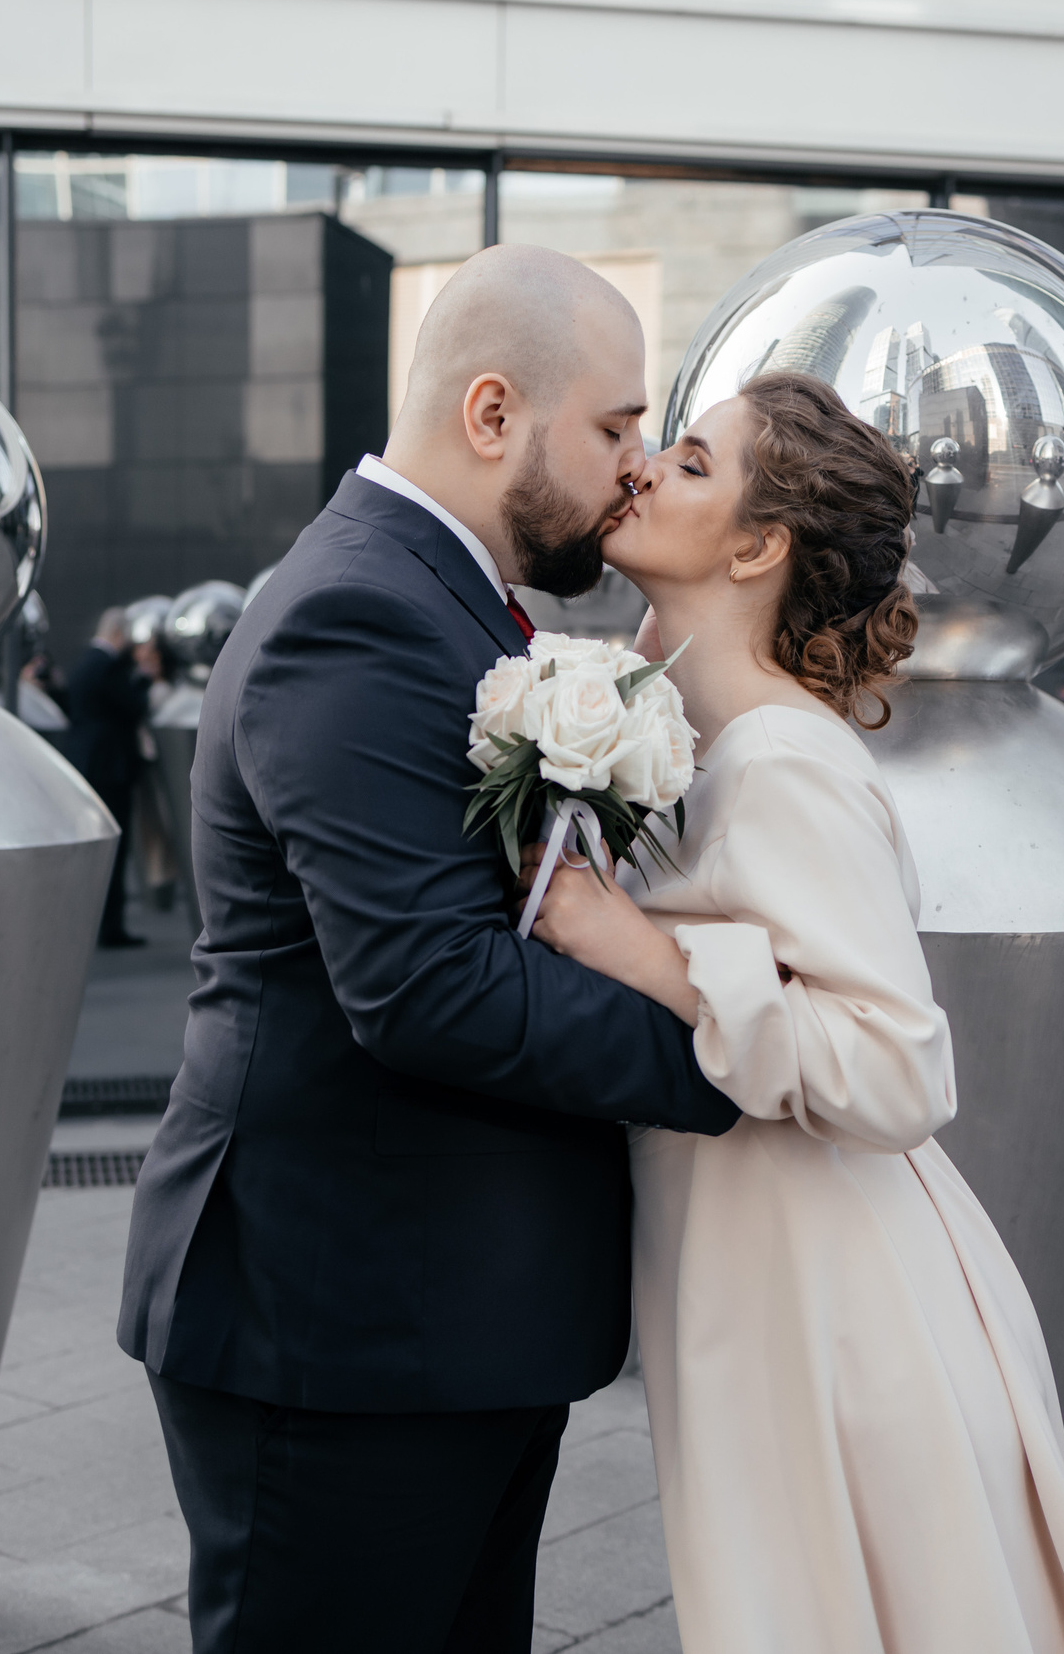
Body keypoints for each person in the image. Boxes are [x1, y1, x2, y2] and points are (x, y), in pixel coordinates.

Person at [116, 243, 739, 1654]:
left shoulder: (438, 598)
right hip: (337, 1334)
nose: (636, 466)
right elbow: (428, 985)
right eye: (617, 425)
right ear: (492, 414)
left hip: (436, 1324)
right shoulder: (358, 611)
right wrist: (738, 1051)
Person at [526, 372, 1064, 1654]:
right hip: (751, 1275)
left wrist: (636, 946)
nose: (641, 470)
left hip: (830, 1302)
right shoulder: (684, 727)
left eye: (690, 463)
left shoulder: (785, 759)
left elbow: (898, 1066)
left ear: (757, 545)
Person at [63, 607, 150, 949]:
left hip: (86, 763)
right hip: (110, 767)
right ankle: (111, 926)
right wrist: (142, 679)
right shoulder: (109, 666)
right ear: (119, 634)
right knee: (116, 845)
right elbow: (133, 706)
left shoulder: (85, 663)